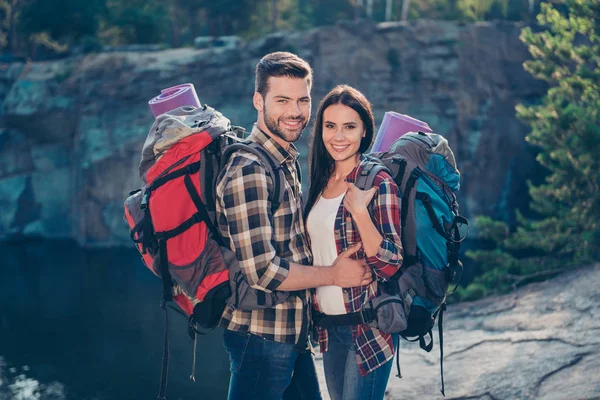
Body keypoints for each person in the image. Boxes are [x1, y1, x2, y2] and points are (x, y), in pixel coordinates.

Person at [215, 53, 373, 400]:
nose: (295, 111)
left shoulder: (284, 160)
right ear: (259, 101)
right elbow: (263, 272)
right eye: (282, 100)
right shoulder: (250, 168)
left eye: (303, 100)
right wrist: (333, 275)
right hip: (260, 338)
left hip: (291, 335)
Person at [305, 85, 403, 400]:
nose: (339, 136)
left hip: (369, 327)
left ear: (364, 132)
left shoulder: (377, 181)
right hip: (329, 329)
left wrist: (360, 211)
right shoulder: (320, 181)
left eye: (350, 127)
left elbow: (390, 263)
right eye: (330, 126)